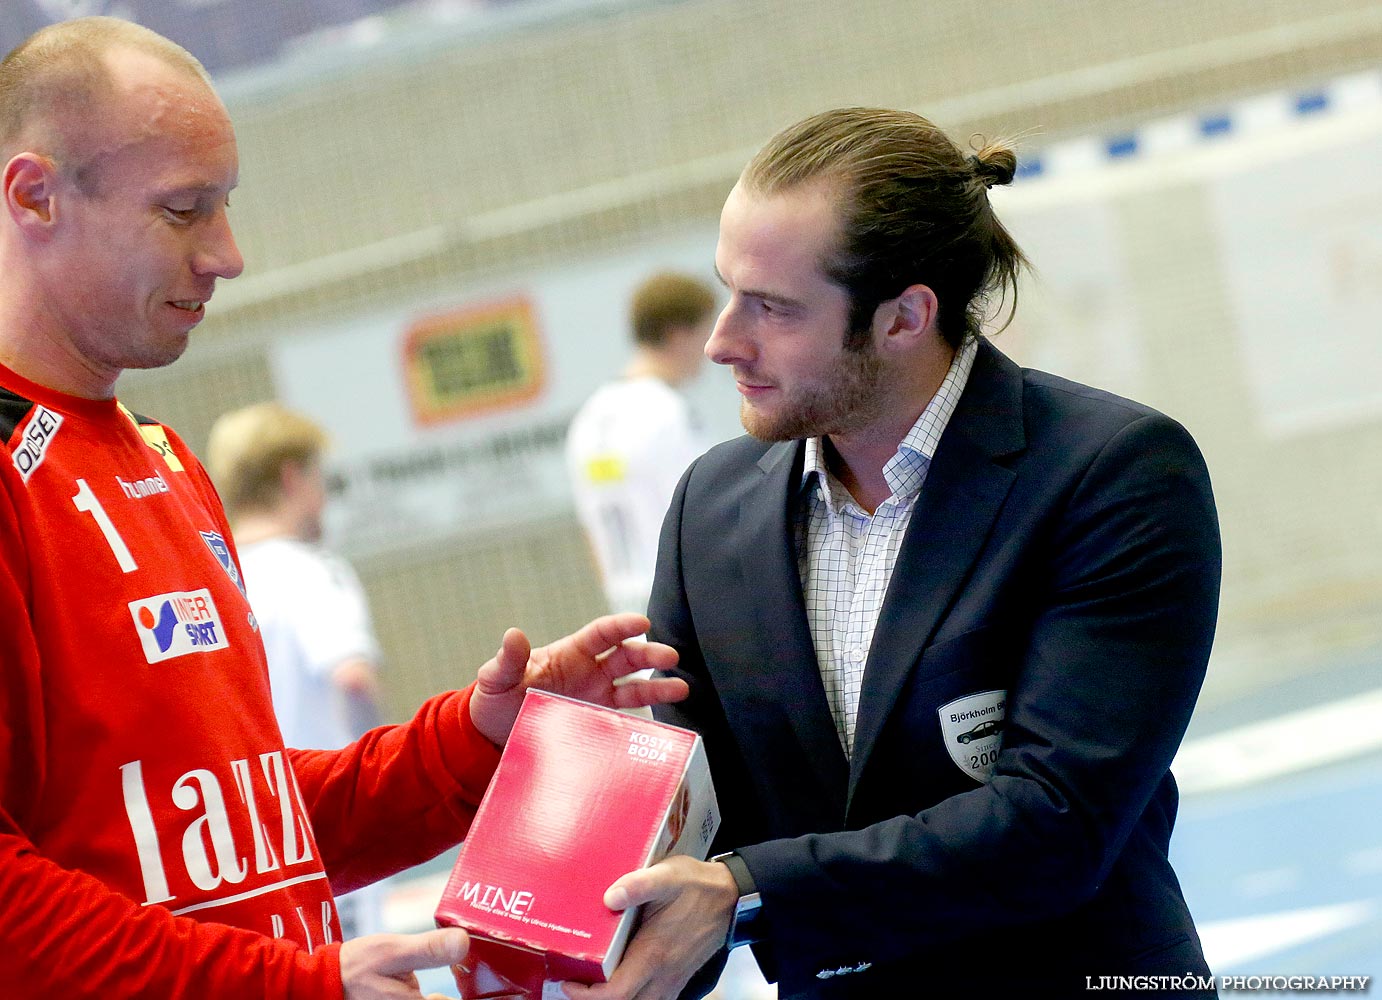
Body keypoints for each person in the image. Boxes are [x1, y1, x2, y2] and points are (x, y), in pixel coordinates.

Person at [0, 17, 685, 998]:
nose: (227, 254)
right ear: (34, 195)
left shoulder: (160, 455)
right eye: (183, 211)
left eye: (224, 206)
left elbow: (257, 833)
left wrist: (477, 743)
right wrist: (292, 983)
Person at [566, 108, 1223, 1000]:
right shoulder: (710, 512)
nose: (723, 340)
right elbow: (692, 837)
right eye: (728, 292)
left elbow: (1056, 827)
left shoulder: (1111, 474)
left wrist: (747, 894)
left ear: (906, 317)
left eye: (774, 308)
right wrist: (557, 861)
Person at [207, 401, 389, 939]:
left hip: (249, 835)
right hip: (326, 814)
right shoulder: (311, 572)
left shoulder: (213, 574)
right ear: (293, 477)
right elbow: (351, 675)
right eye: (319, 478)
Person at [566, 272, 717, 615]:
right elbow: (702, 517)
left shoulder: (587, 421)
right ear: (678, 334)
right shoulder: (668, 413)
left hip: (626, 609)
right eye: (705, 333)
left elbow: (592, 530)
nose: (710, 348)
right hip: (684, 604)